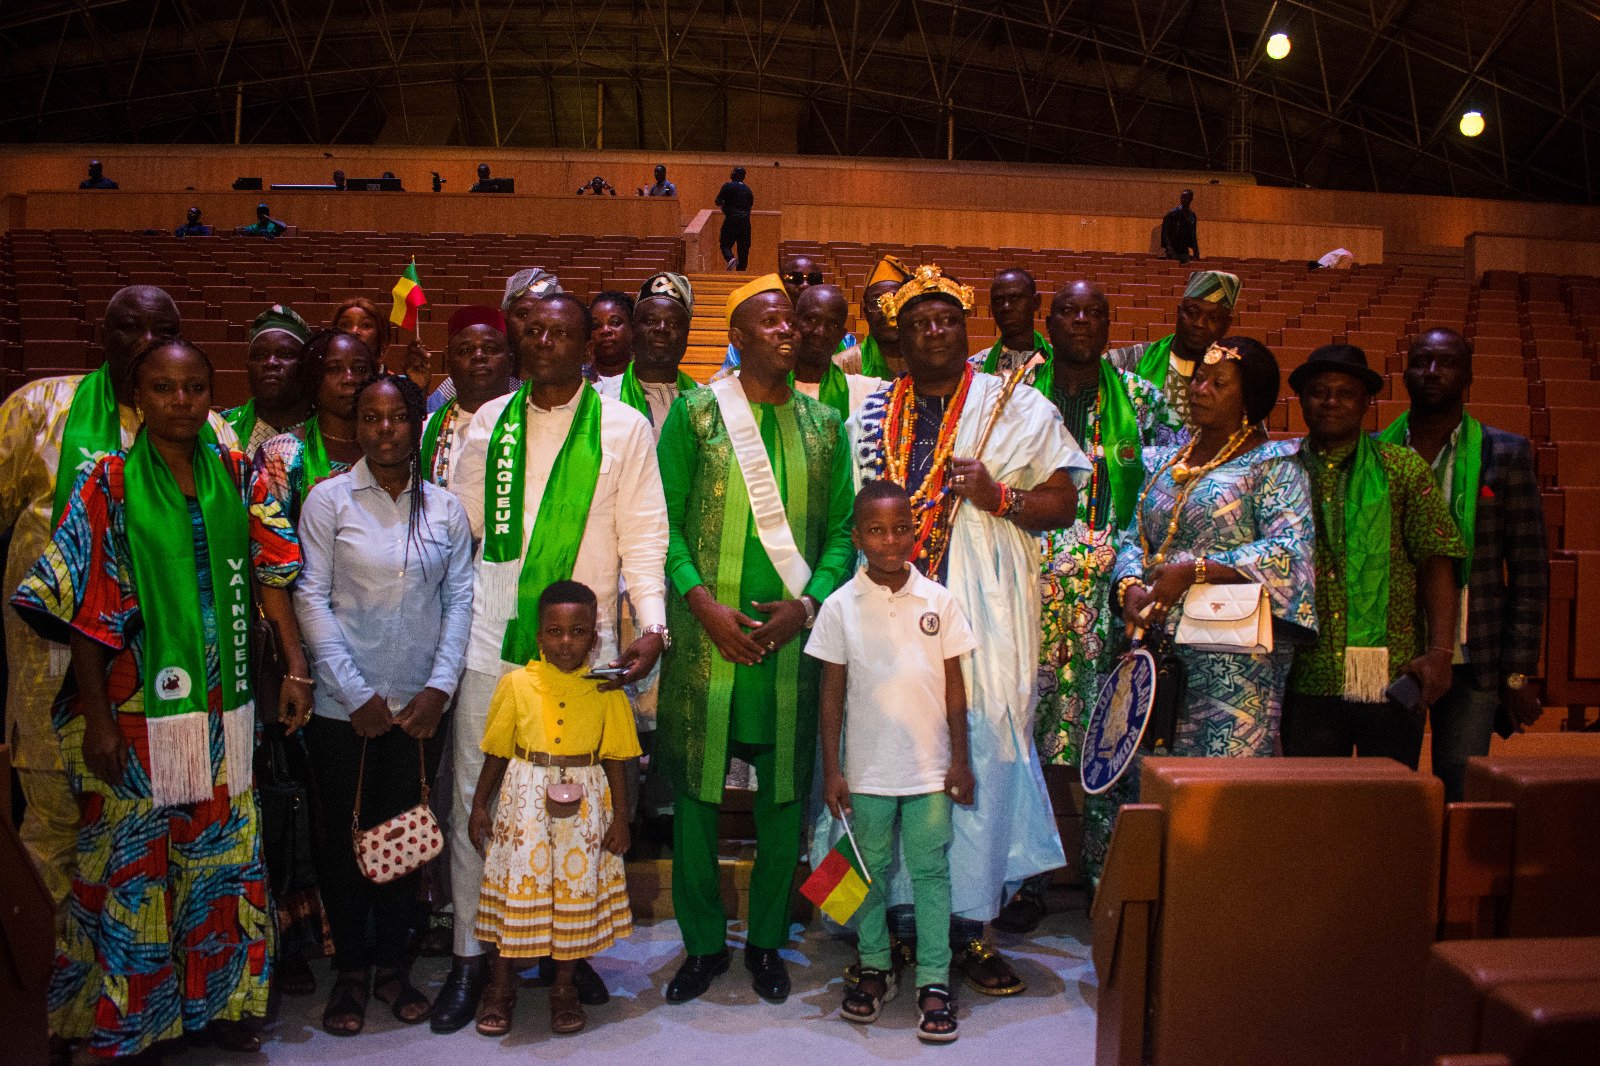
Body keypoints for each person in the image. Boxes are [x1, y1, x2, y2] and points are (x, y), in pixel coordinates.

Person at [11, 336, 304, 1060]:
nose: (180, 401)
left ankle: (221, 1002)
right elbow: (84, 609)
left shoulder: (238, 474)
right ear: (138, 400)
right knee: (133, 866)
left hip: (224, 702)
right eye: (164, 388)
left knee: (223, 857)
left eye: (194, 388)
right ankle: (129, 1019)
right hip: (135, 706)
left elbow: (272, 576)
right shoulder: (104, 484)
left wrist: (294, 667)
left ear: (212, 395)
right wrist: (100, 724)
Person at [833, 262, 1088, 996]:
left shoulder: (1016, 405)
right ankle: (892, 924)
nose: (932, 332)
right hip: (885, 610)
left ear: (966, 333)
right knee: (886, 751)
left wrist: (998, 494)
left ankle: (974, 930)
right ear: (898, 338)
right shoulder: (872, 412)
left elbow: (1066, 501)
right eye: (917, 324)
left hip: (986, 608)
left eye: (945, 320)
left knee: (981, 749)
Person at [432, 282, 668, 1033]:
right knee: (485, 801)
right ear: (517, 343)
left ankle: (571, 947)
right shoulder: (489, 423)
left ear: (589, 343)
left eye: (559, 333)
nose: (544, 344)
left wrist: (653, 625)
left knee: (583, 806)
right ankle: (474, 953)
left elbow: (645, 534)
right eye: (530, 334)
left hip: (581, 648)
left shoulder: (625, 426)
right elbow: (457, 528)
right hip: (490, 640)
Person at [0, 286, 238, 905]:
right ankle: (39, 984)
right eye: (129, 328)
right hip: (48, 659)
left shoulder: (206, 425)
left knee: (153, 831)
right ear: (102, 337)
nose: (146, 342)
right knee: (53, 822)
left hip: (167, 670)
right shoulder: (41, 405)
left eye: (162, 329)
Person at [654, 275, 856, 1006]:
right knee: (698, 799)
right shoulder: (697, 415)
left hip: (790, 644)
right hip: (709, 641)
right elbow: (664, 524)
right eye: (769, 320)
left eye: (792, 320)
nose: (786, 330)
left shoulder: (825, 424)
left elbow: (842, 535)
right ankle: (703, 945)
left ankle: (767, 942)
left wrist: (805, 606)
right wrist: (702, 605)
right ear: (735, 338)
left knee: (780, 803)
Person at [1089, 338, 1318, 885]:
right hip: (1152, 653)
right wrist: (1128, 586)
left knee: (1211, 794)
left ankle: (1208, 927)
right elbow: (1131, 537)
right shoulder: (1168, 459)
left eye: (1219, 384)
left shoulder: (1276, 466)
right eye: (1198, 380)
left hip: (1229, 668)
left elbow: (1290, 552)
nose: (1199, 390)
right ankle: (1125, 921)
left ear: (1252, 399)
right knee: (1133, 785)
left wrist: (1197, 568)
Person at [294, 373, 473, 1036]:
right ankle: (350, 972)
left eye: (398, 417)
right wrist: (353, 692)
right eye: (372, 418)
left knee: (406, 841)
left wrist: (439, 688)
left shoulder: (446, 510)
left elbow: (459, 600)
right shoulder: (329, 501)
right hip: (348, 710)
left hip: (418, 710)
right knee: (342, 843)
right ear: (357, 426)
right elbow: (310, 597)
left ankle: (395, 965)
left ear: (414, 424)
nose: (387, 429)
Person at [997, 280, 1180, 930]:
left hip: (1112, 597)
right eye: (1069, 311)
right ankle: (1025, 884)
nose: (1081, 321)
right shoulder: (1016, 397)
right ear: (1050, 321)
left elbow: (1169, 498)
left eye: (1094, 312)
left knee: (1111, 735)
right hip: (1029, 586)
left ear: (1109, 324)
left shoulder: (1144, 401)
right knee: (1024, 733)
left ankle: (1108, 886)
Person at [812, 480, 976, 1043]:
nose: (890, 540)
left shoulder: (940, 601)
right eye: (876, 531)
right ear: (857, 537)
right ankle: (874, 965)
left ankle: (935, 977)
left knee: (931, 871)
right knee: (867, 871)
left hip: (931, 770)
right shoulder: (839, 607)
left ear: (915, 529)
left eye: (901, 527)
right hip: (867, 773)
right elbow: (831, 695)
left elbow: (956, 690)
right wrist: (834, 771)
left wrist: (962, 761)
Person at [1378, 328, 1549, 800]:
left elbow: (1530, 575)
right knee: (1396, 792)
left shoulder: (1506, 454)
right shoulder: (1377, 452)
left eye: (1447, 362)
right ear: (1405, 372)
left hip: (1474, 655)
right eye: (1422, 361)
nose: (1432, 372)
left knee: (1460, 787)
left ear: (1468, 376)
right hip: (1395, 650)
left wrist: (1515, 675)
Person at [467, 580, 641, 1036]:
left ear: (595, 638)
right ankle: (500, 987)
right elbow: (497, 751)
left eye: (578, 632)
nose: (567, 642)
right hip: (524, 800)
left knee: (573, 891)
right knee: (518, 891)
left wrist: (620, 817)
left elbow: (619, 758)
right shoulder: (516, 684)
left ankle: (564, 987)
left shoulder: (608, 690)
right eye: (556, 631)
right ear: (539, 635)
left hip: (586, 807)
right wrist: (478, 806)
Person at [1282, 344, 1466, 768]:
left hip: (1392, 675)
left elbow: (1437, 562)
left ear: (1367, 402)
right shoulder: (1279, 468)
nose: (1330, 402)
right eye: (1318, 391)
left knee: (1386, 809)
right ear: (1301, 400)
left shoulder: (1402, 468)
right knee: (1310, 806)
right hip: (1302, 675)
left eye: (1345, 393)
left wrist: (1440, 652)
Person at [254, 329, 376, 526]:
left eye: (360, 369)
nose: (349, 378)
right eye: (334, 369)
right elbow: (269, 534)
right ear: (313, 378)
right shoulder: (279, 454)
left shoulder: (389, 448)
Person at [1109, 268, 1239, 425]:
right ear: (1178, 312)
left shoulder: (1235, 377)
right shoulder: (1127, 361)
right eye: (1192, 312)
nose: (1199, 323)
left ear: (1227, 325)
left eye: (1213, 318)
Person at [420, 306, 516, 488]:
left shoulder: (532, 421)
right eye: (465, 351)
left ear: (511, 361)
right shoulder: (425, 432)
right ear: (448, 365)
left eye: (490, 348)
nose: (478, 356)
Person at [596, 272, 698, 435]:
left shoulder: (706, 399)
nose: (662, 329)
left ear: (686, 334)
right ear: (633, 329)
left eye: (673, 323)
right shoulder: (601, 397)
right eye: (650, 321)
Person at [718, 252, 846, 373]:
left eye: (814, 279)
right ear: (781, 283)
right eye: (795, 278)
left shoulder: (841, 340)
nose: (805, 285)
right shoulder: (751, 340)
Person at [224, 304, 315, 457]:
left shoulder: (330, 431)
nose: (271, 362)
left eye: (286, 354)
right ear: (247, 366)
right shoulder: (221, 429)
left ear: (306, 365)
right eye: (259, 356)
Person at [792, 284, 879, 420]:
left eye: (833, 324)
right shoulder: (767, 387)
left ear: (841, 335)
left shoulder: (865, 393)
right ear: (794, 323)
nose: (820, 332)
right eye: (812, 319)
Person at [835, 255, 914, 378]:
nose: (885, 310)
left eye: (896, 299)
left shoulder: (927, 361)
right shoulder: (843, 364)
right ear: (865, 312)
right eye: (877, 302)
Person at [971, 268, 1051, 381]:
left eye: (1015, 298)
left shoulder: (1057, 363)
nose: (1006, 307)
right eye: (998, 300)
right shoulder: (975, 367)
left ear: (1036, 302)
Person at [587, 290, 636, 384]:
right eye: (596, 325)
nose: (605, 330)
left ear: (632, 329)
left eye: (615, 323)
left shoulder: (647, 379)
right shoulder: (575, 381)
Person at [715, 166, 754, 270]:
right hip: (745, 221)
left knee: (725, 244)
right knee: (743, 249)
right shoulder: (748, 189)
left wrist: (724, 205)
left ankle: (730, 259)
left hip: (731, 219)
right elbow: (750, 206)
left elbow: (717, 201)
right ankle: (741, 275)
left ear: (733, 174)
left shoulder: (728, 186)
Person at [1160, 188, 1199, 263]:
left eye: (1185, 197)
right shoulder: (1172, 213)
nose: (1182, 199)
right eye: (1181, 197)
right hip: (1172, 251)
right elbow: (1165, 232)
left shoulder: (1192, 216)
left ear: (1191, 199)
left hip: (1184, 251)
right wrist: (1169, 247)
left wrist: (1196, 251)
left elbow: (1193, 234)